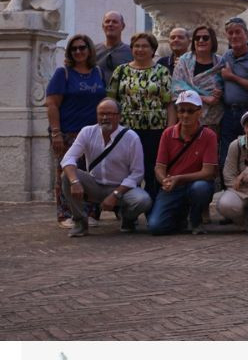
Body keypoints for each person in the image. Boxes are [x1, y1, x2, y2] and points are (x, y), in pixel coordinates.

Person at [58, 97, 150, 235]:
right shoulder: (87, 132)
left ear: (119, 116)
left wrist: (115, 194)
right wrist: (75, 181)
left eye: (109, 114)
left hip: (121, 189)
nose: (105, 118)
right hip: (94, 184)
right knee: (67, 176)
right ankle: (80, 221)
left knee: (143, 200)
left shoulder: (131, 138)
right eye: (101, 114)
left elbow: (137, 173)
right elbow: (68, 158)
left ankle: (128, 218)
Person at [46, 31, 106, 223]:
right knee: (66, 173)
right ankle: (67, 214)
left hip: (94, 133)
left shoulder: (97, 72)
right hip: (68, 132)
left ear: (89, 50)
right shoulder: (62, 73)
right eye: (74, 49)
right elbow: (52, 104)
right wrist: (56, 132)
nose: (78, 51)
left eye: (82, 47)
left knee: (92, 173)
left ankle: (90, 213)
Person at [106, 31, 171, 195]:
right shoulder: (120, 71)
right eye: (136, 46)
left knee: (152, 171)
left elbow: (169, 103)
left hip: (155, 130)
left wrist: (169, 131)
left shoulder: (162, 72)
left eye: (145, 46)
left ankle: (153, 211)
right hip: (126, 131)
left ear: (153, 50)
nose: (140, 49)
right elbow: (111, 102)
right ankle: (127, 211)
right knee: (126, 170)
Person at [148, 91, 218, 235]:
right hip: (173, 186)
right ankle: (180, 217)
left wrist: (179, 178)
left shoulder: (209, 135)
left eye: (190, 111)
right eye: (181, 110)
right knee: (156, 227)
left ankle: (195, 218)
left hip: (194, 183)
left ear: (200, 112)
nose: (185, 115)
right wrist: (164, 180)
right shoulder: (167, 133)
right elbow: (159, 167)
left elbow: (208, 172)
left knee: (200, 188)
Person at [214, 17, 248, 156]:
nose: (234, 36)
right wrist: (218, 89)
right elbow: (219, 77)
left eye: (238, 32)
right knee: (227, 154)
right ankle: (228, 178)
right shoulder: (226, 55)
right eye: (230, 33)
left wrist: (232, 77)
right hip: (228, 113)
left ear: (246, 33)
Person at [98, 10, 131, 75]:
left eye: (115, 22)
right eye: (107, 21)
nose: (110, 24)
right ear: (103, 26)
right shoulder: (93, 51)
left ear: (123, 26)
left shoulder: (131, 52)